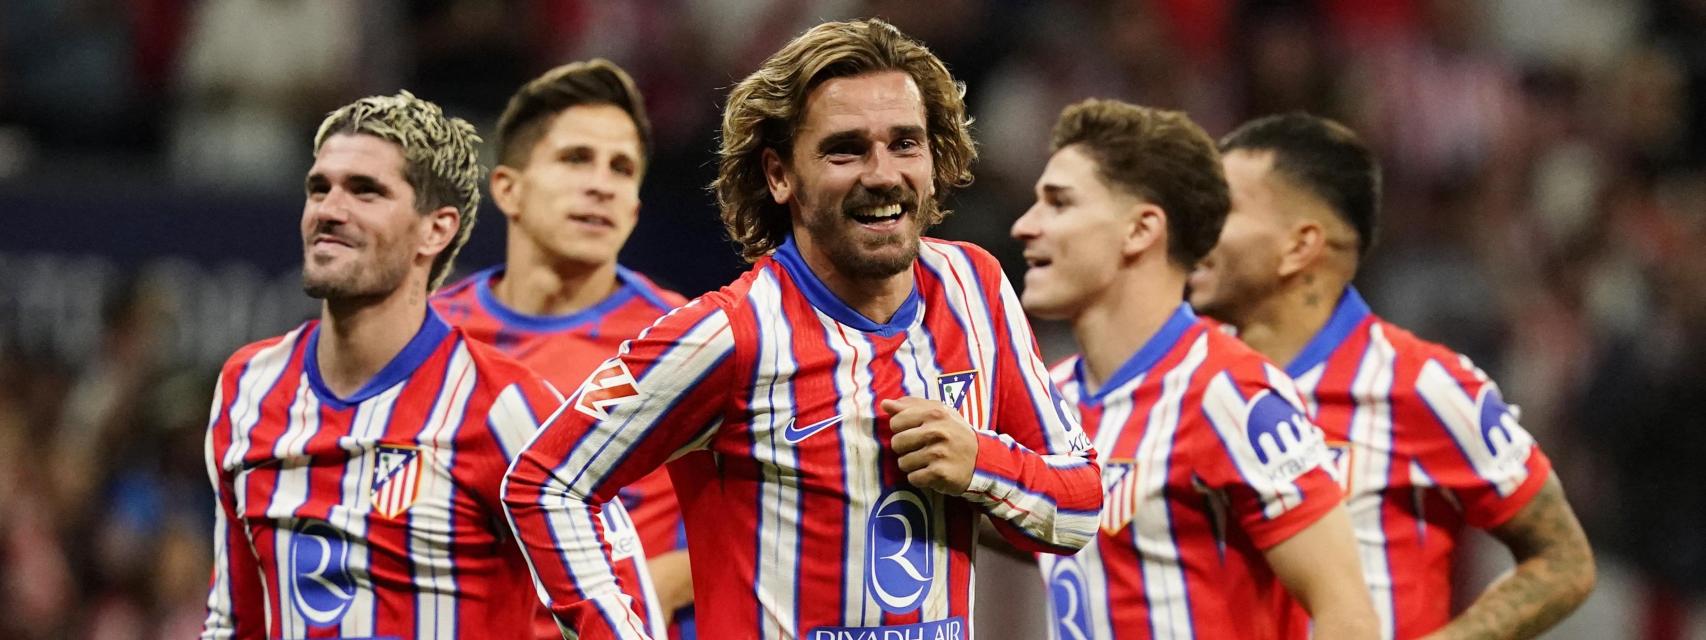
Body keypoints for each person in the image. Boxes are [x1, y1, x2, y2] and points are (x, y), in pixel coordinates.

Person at [502, 18, 1103, 640]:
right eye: (845, 149)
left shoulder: (974, 287)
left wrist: (981, 463)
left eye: (905, 143)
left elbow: (1080, 505)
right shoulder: (729, 333)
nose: (882, 173)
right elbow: (546, 484)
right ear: (779, 175)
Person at [200, 91, 653, 639]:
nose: (330, 210)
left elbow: (621, 610)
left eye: (366, 191)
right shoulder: (248, 387)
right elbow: (233, 621)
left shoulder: (506, 409)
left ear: (435, 229)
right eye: (320, 188)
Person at [1187, 113, 1595, 639]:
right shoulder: (1187, 387)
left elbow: (1564, 561)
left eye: (1224, 209)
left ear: (1300, 245)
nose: (1196, 228)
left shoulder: (1421, 384)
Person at [1011, 99, 1378, 640]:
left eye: (1058, 204)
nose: (1025, 226)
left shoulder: (1229, 393)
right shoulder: (1048, 400)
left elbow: (1349, 618)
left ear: (1140, 230)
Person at [431, 59, 689, 638]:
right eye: (575, 158)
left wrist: (667, 581)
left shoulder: (685, 337)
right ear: (507, 188)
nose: (601, 183)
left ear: (634, 208)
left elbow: (775, 511)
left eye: (621, 169)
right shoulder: (433, 337)